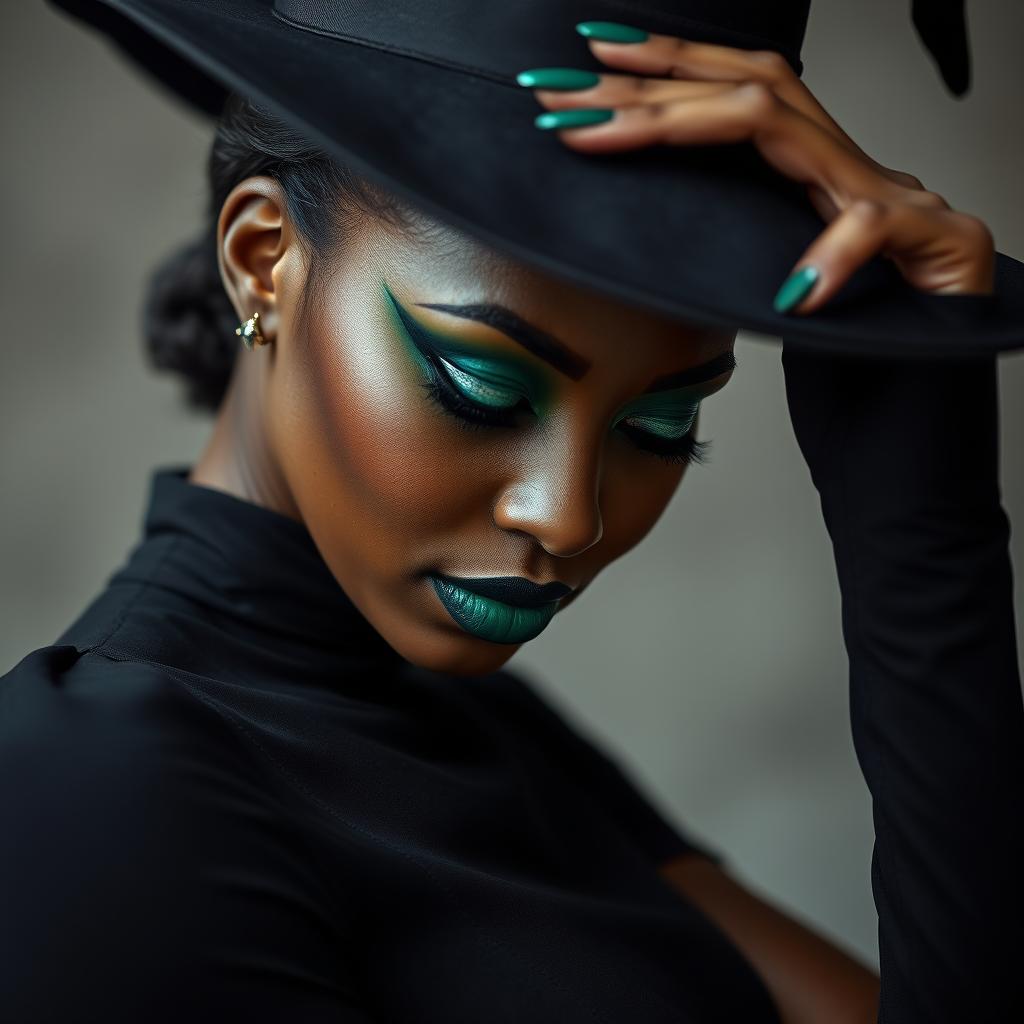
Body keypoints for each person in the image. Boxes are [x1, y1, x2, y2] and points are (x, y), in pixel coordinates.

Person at [3, 3, 1022, 1022]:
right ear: (264, 259)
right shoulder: (94, 798)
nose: (566, 516)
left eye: (663, 425)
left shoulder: (472, 727)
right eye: (482, 389)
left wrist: (918, 515)